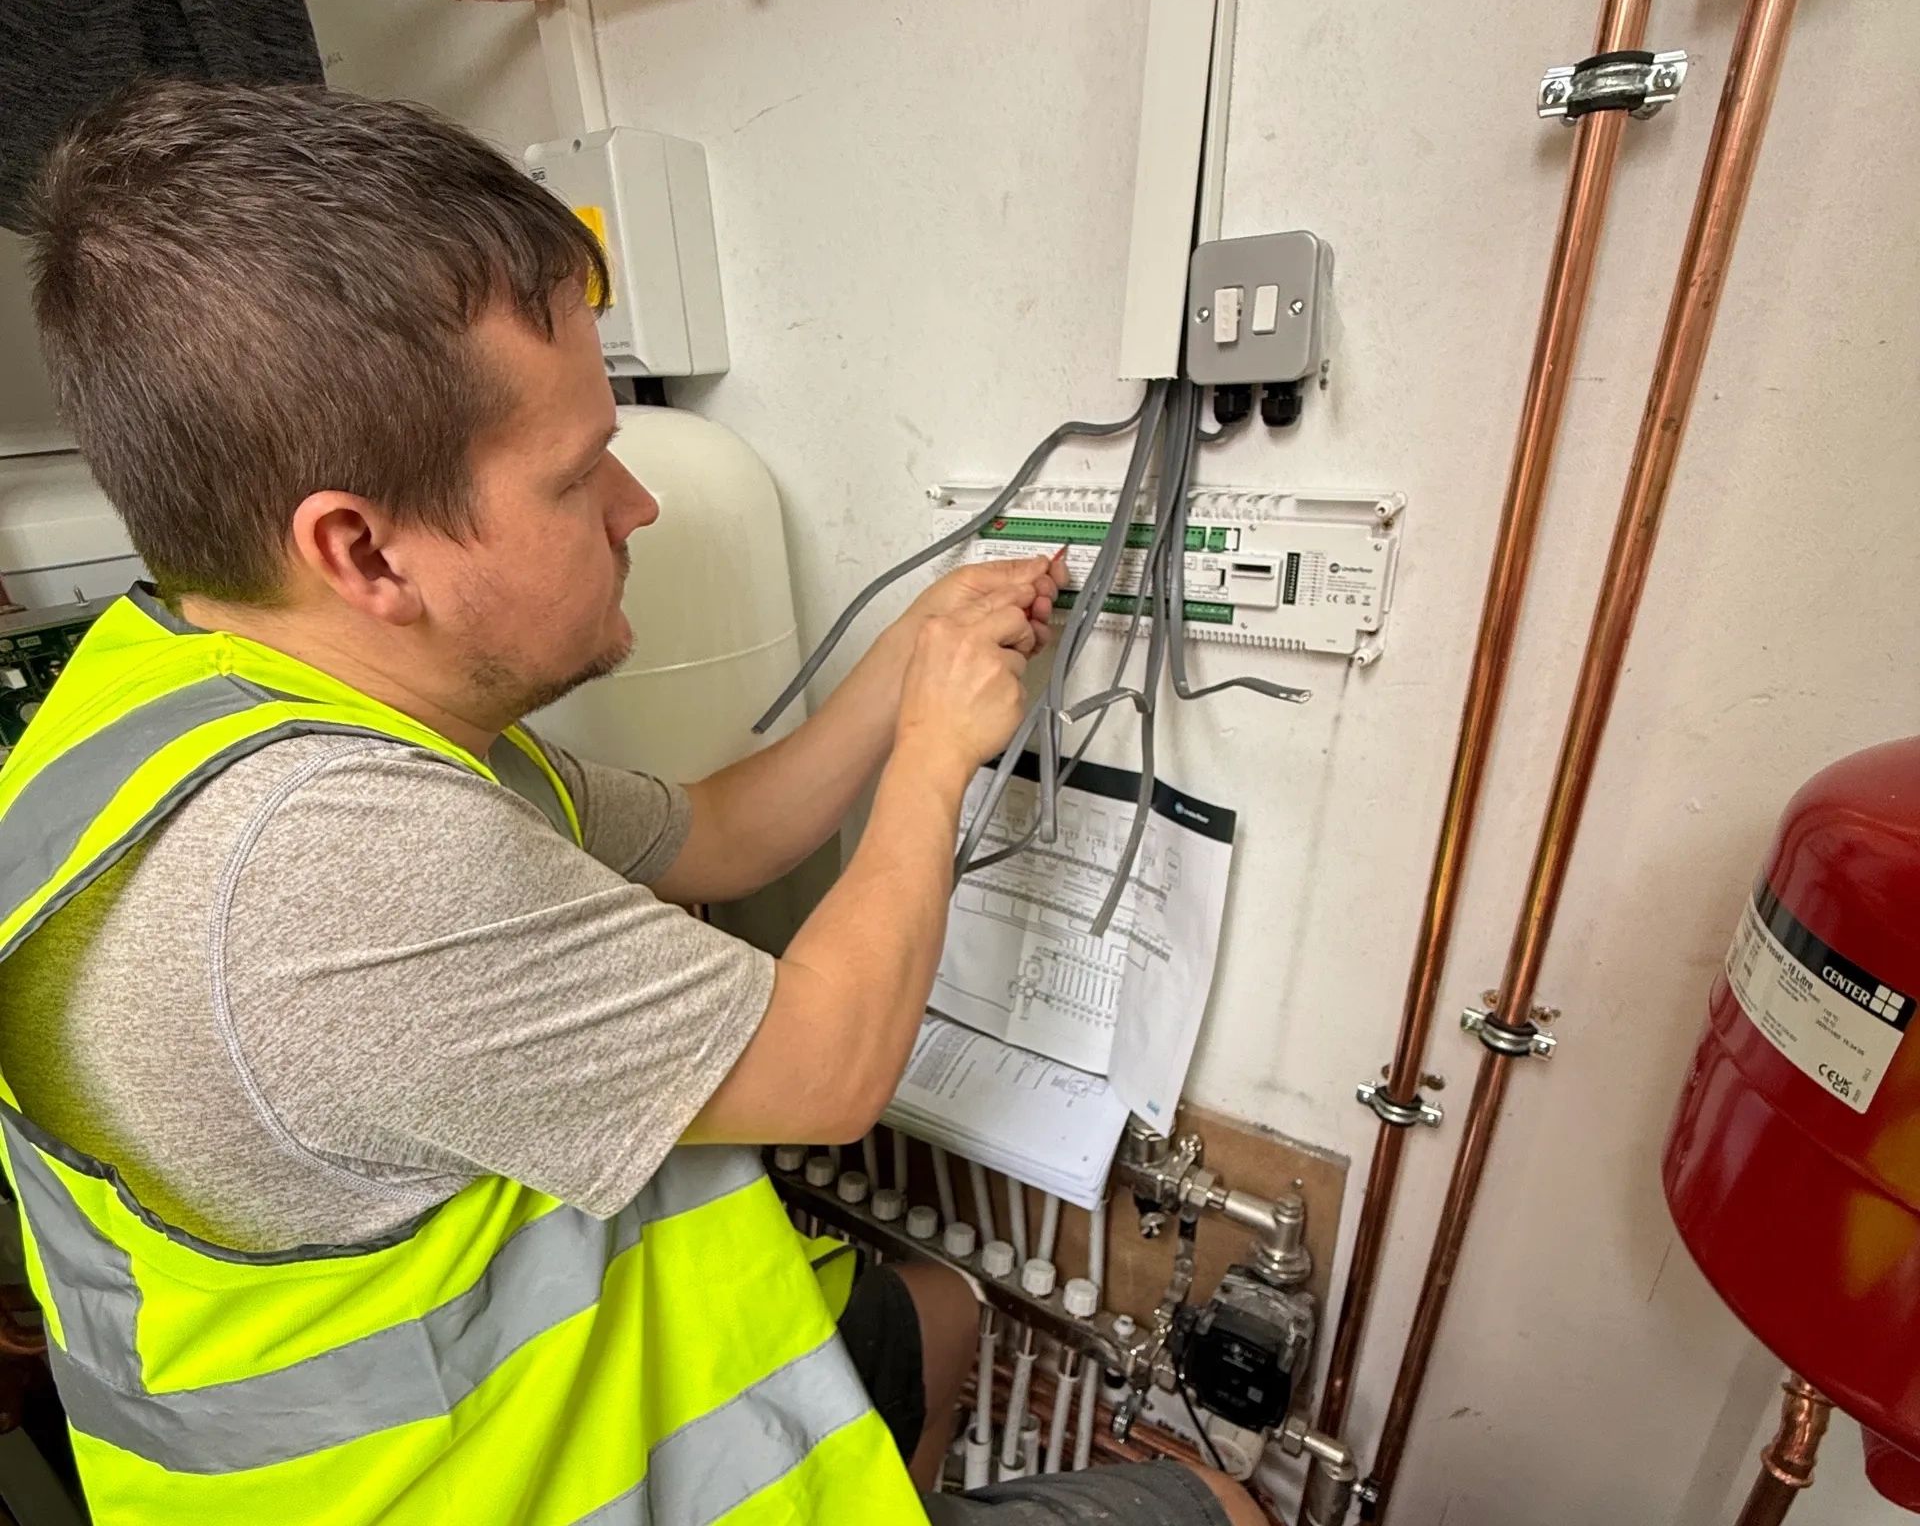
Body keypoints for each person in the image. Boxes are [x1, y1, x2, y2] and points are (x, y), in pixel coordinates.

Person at [0, 80, 1265, 1526]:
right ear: (363, 550)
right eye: (576, 471)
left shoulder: (197, 707)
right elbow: (829, 1071)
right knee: (1221, 1517)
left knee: (941, 1311)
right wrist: (933, 759)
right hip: (502, 1489)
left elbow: (718, 832)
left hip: (497, 1402)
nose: (636, 505)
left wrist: (911, 660)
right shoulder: (332, 877)